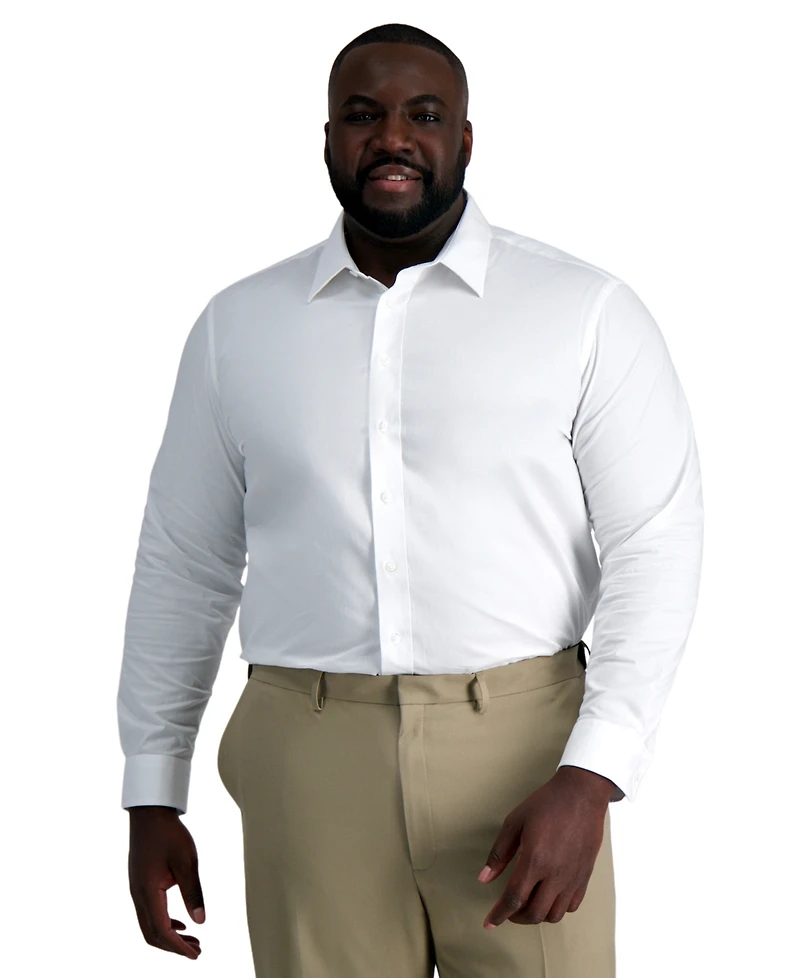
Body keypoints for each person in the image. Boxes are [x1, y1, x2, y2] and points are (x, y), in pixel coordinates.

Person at [118, 21, 704, 978]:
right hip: (309, 761)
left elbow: (656, 544)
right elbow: (185, 561)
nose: (392, 137)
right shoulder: (238, 328)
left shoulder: (584, 312)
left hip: (525, 757)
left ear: (464, 139)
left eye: (424, 116)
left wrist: (594, 773)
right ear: (328, 140)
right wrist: (153, 789)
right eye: (363, 115)